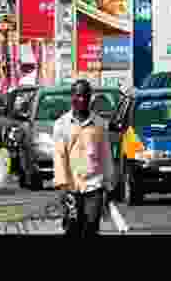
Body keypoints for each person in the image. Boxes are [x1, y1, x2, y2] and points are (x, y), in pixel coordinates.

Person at [53, 80, 114, 237]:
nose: (82, 100)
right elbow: (60, 156)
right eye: (78, 95)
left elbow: (106, 155)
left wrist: (108, 186)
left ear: (90, 98)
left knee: (91, 227)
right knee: (73, 228)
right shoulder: (61, 124)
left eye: (86, 96)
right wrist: (62, 186)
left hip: (94, 185)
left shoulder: (100, 124)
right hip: (71, 188)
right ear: (72, 97)